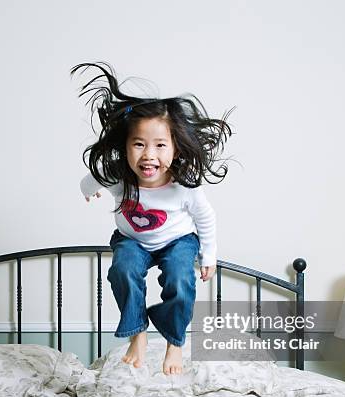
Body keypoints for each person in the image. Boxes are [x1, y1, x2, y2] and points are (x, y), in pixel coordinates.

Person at [71, 62, 233, 375]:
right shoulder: (118, 176)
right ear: (125, 148)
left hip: (178, 241)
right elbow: (89, 180)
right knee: (123, 268)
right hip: (133, 240)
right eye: (139, 144)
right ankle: (138, 332)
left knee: (180, 279)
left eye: (160, 145)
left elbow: (206, 217)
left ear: (175, 148)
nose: (149, 155)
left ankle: (174, 342)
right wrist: (88, 190)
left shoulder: (184, 186)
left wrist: (209, 255)